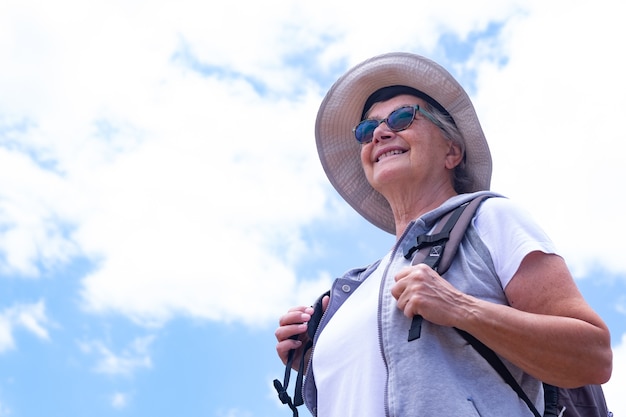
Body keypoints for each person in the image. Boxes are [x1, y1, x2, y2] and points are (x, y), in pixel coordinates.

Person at [274, 52, 612, 416]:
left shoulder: (490, 219)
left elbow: (592, 358)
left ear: (452, 151)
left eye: (403, 118)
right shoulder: (351, 291)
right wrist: (315, 357)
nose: (381, 133)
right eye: (366, 130)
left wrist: (460, 307)